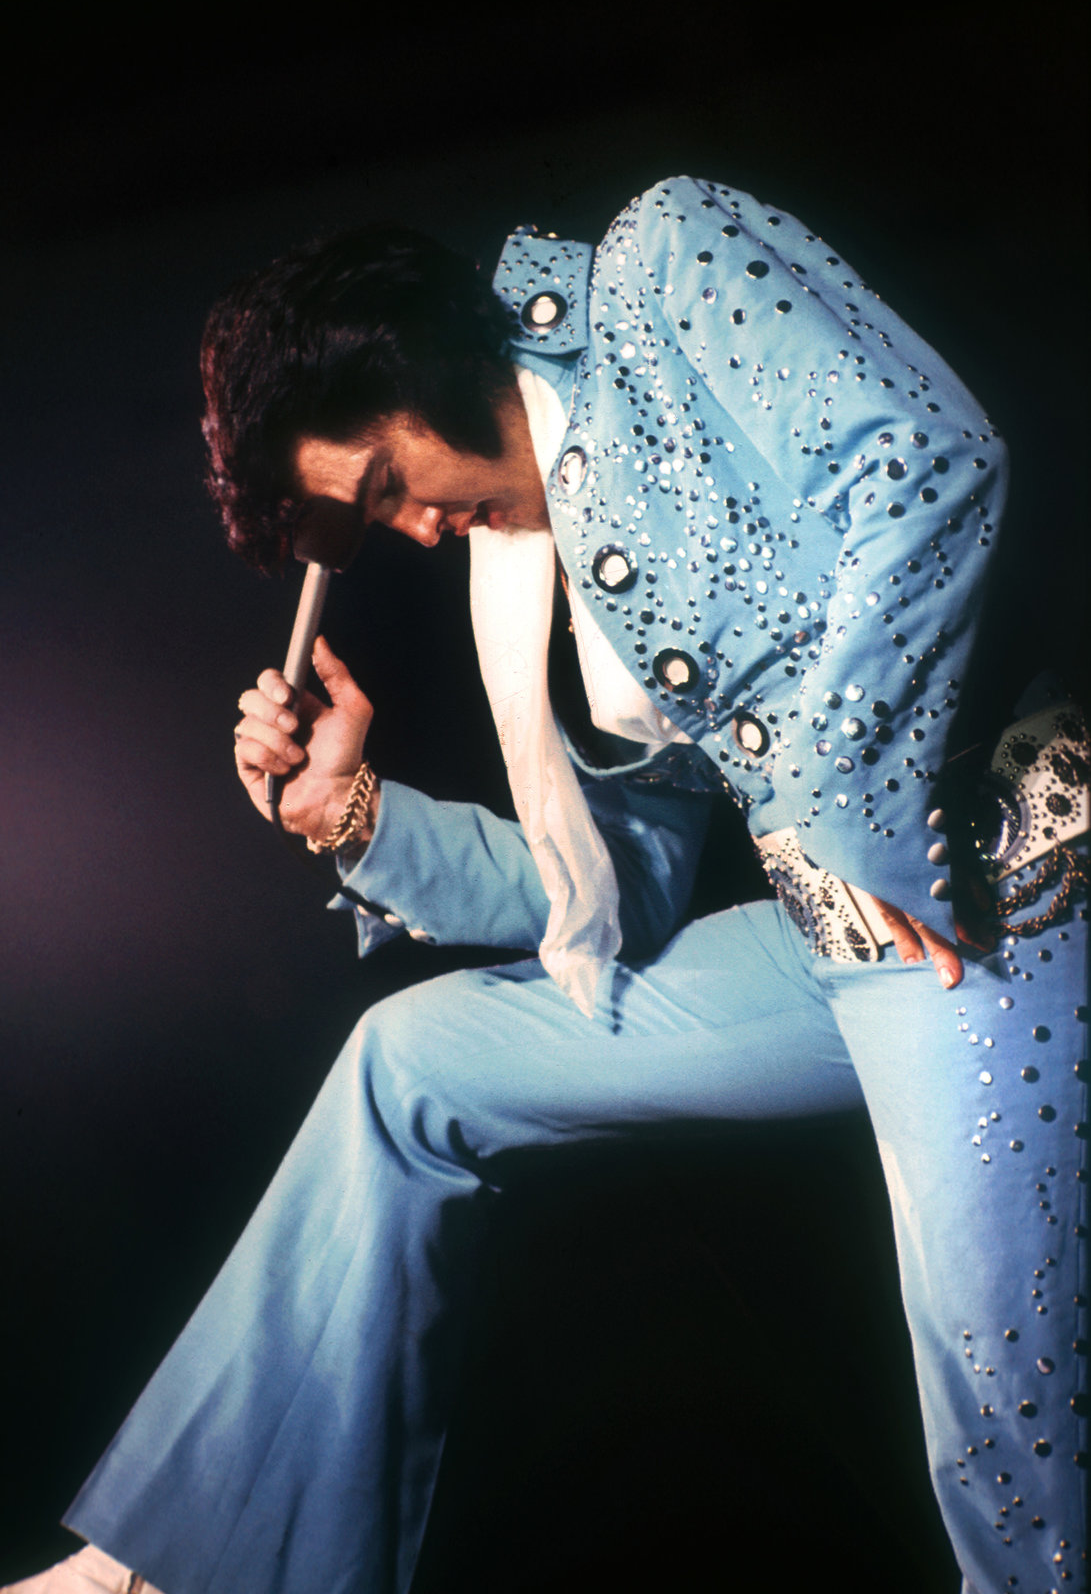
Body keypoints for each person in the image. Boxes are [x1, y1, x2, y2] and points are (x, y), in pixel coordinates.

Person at [5, 176, 1086, 1594]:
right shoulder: (530, 573)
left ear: (412, 360)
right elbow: (614, 896)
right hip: (832, 944)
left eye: (384, 484)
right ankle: (172, 1570)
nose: (411, 528)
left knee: (1008, 1439)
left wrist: (850, 804)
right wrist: (351, 816)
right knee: (408, 1066)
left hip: (996, 902)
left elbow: (931, 468)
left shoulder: (662, 262)